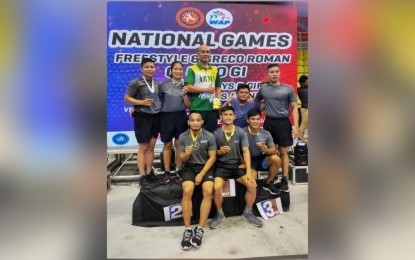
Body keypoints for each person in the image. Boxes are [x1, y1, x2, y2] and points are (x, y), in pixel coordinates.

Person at [209, 106, 263, 229]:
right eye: (225, 114)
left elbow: (246, 152)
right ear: (221, 117)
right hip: (221, 166)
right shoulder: (216, 133)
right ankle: (219, 213)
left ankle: (248, 212)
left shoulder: (240, 132)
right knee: (216, 188)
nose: (228, 117)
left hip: (236, 166)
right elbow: (212, 154)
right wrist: (219, 152)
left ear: (234, 116)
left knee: (252, 185)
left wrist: (248, 172)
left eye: (230, 114)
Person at [254, 64, 299, 192]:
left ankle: (284, 179)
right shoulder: (264, 90)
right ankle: (271, 179)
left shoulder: (288, 89)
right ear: (268, 74)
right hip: (269, 123)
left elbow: (294, 107)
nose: (274, 74)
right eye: (271, 72)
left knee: (283, 151)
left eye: (276, 71)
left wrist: (295, 126)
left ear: (280, 73)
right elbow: (256, 103)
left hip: (283, 122)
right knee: (272, 151)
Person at [178, 111, 216, 250]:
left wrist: (201, 174)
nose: (195, 122)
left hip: (205, 167)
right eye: (192, 120)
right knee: (187, 190)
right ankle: (187, 230)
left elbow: (212, 158)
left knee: (208, 190)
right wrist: (186, 154)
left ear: (202, 122)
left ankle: (200, 229)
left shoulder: (209, 136)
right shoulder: (182, 137)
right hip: (189, 167)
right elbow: (181, 159)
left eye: (197, 120)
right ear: (188, 122)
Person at [124, 58, 161, 180]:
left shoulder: (156, 83)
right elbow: (127, 98)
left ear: (155, 69)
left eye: (152, 67)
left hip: (155, 116)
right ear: (142, 68)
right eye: (147, 67)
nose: (150, 69)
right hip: (142, 117)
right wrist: (141, 102)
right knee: (143, 147)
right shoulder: (136, 82)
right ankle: (142, 176)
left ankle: (149, 173)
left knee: (151, 146)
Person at [159, 61, 188, 182]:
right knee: (167, 144)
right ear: (171, 71)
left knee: (179, 144)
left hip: (180, 116)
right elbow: (156, 101)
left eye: (180, 69)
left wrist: (185, 94)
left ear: (183, 71)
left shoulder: (186, 86)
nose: (178, 71)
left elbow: (188, 105)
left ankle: (179, 169)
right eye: (175, 69)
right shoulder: (163, 85)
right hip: (166, 116)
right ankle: (167, 171)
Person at [184, 44, 222, 133]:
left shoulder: (215, 69)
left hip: (211, 109)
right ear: (198, 54)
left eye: (207, 52)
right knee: (195, 135)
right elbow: (188, 87)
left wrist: (217, 103)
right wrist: (206, 89)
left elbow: (218, 87)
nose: (205, 54)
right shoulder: (192, 69)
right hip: (197, 108)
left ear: (210, 54)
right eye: (203, 52)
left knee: (212, 135)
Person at [244, 108, 281, 195]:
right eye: (253, 119)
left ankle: (268, 183)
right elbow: (238, 151)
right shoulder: (242, 133)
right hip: (250, 162)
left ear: (260, 120)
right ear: (247, 120)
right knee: (251, 182)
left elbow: (274, 150)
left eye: (257, 119)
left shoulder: (266, 133)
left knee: (276, 159)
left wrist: (266, 150)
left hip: (263, 161)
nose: (255, 121)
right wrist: (243, 162)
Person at [297, 75, 308, 141]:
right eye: (306, 81)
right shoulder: (299, 90)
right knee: (304, 123)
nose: (308, 83)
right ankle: (300, 137)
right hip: (305, 109)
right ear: (302, 83)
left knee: (305, 124)